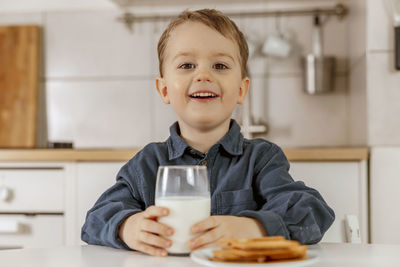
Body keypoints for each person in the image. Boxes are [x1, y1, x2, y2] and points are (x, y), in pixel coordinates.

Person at [81, 8, 334, 257]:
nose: (203, 75)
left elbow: (312, 211)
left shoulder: (261, 159)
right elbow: (95, 220)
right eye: (187, 65)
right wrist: (128, 227)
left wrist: (253, 228)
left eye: (220, 66)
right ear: (164, 89)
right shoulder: (147, 163)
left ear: (241, 89)